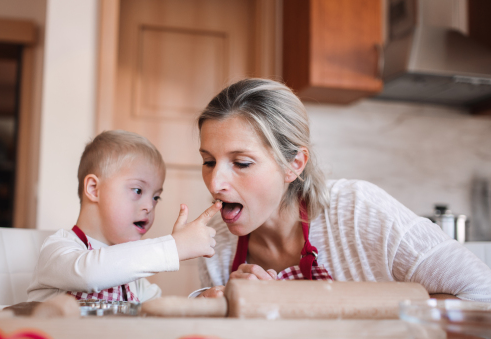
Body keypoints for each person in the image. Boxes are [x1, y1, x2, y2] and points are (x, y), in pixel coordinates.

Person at [193, 78, 491, 302]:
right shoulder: (215, 243)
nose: (215, 183)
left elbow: (481, 292)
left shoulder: (359, 210)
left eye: (242, 163)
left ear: (294, 164)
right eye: (208, 161)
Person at [27, 130, 221, 302]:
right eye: (137, 190)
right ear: (94, 189)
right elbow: (90, 273)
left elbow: (159, 314)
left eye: (156, 197)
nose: (149, 206)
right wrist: (174, 247)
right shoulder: (58, 249)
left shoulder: (134, 277)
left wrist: (201, 301)